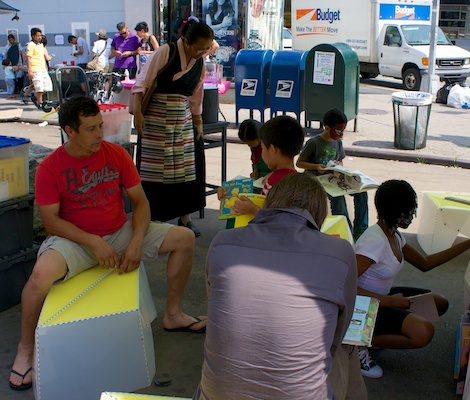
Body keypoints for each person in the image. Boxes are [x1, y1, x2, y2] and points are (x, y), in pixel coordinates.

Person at [8, 96, 205, 392]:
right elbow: (51, 222)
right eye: (90, 129)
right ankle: (25, 350)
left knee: (184, 238)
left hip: (119, 231)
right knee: (39, 278)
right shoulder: (51, 167)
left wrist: (137, 240)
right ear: (69, 131)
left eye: (100, 126)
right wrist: (91, 242)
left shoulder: (115, 154)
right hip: (73, 239)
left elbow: (140, 202)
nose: (100, 134)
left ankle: (173, 314)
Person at [194, 172, 358, 399]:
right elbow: (336, 336)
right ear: (319, 215)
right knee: (348, 347)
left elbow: (216, 305)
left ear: (269, 203)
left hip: (215, 394)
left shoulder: (222, 241)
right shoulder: (341, 252)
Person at [353, 180, 470, 378]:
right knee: (423, 332)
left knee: (438, 302)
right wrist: (391, 301)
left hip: (380, 300)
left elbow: (425, 263)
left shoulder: (394, 235)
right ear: (395, 211)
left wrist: (469, 244)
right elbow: (344, 286)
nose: (413, 216)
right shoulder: (374, 242)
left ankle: (372, 335)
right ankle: (358, 342)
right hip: (360, 308)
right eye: (409, 211)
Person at [131, 19, 215, 236]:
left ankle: (185, 218)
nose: (203, 52)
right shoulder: (165, 52)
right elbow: (143, 82)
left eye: (207, 48)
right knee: (154, 172)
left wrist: (198, 122)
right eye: (200, 48)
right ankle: (152, 218)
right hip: (156, 120)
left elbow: (197, 94)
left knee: (186, 171)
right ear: (186, 42)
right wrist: (138, 113)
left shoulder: (199, 61)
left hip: (183, 120)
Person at [297, 109, 369, 240]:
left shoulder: (338, 142)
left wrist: (338, 165)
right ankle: (346, 229)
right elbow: (299, 163)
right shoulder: (314, 142)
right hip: (316, 180)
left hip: (334, 177)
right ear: (327, 127)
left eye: (343, 131)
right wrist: (316, 167)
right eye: (338, 131)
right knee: (338, 198)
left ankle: (361, 230)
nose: (341, 134)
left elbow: (340, 160)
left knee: (362, 191)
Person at [229, 115, 304, 217]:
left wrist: (252, 209)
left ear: (272, 149)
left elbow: (276, 218)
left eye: (263, 148)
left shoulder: (273, 183)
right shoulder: (299, 182)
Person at [26, 27, 53, 110]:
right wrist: (30, 70)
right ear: (33, 36)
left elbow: (44, 58)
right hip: (35, 69)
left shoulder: (41, 45)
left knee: (47, 87)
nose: (39, 37)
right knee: (39, 88)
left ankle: (34, 97)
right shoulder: (31, 45)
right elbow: (29, 58)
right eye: (38, 36)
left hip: (43, 69)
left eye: (40, 35)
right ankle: (40, 103)